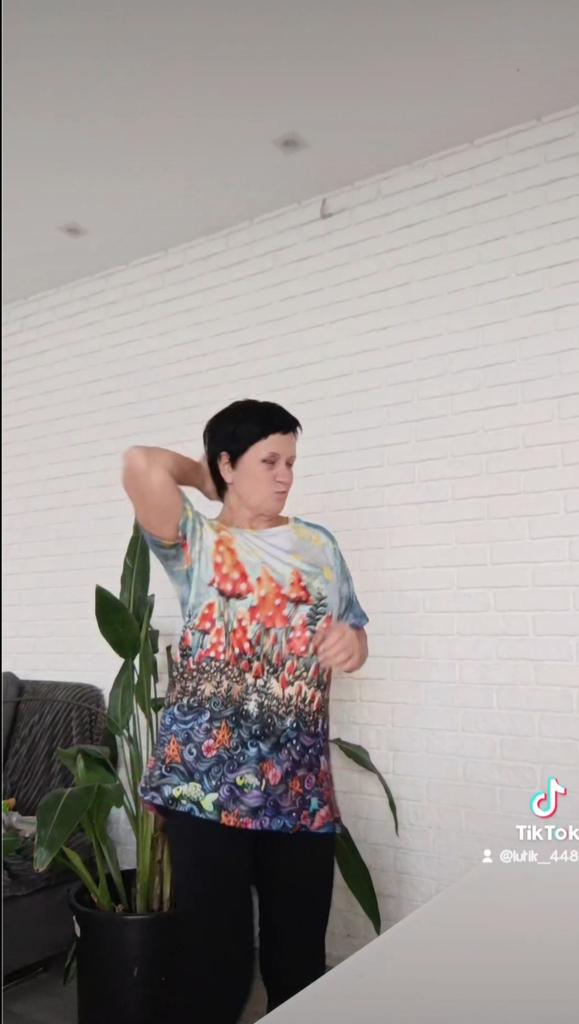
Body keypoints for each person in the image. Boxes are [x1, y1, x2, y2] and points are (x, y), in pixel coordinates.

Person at [122, 398, 369, 1022]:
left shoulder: (318, 545)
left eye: (291, 463)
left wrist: (352, 644)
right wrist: (203, 476)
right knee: (217, 968)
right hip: (205, 790)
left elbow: (356, 635)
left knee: (300, 963)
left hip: (299, 792)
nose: (285, 476)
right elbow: (141, 464)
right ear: (229, 465)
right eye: (270, 461)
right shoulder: (198, 542)